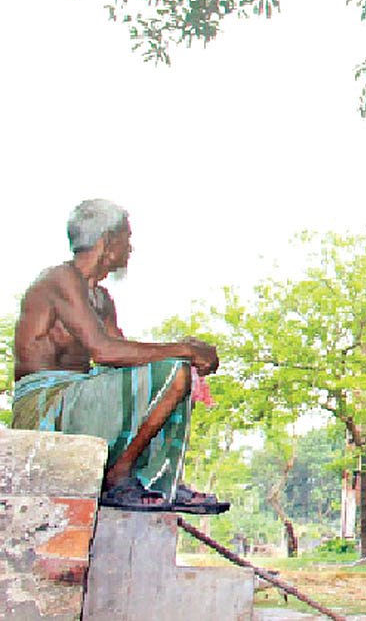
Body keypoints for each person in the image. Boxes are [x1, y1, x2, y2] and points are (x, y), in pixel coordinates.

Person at [12, 199, 227, 513]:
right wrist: (184, 350)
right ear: (108, 241)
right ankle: (118, 476)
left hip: (76, 397)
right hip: (45, 405)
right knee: (173, 371)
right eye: (127, 238)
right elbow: (103, 350)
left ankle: (159, 479)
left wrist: (187, 360)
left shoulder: (101, 298)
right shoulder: (60, 279)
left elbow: (124, 360)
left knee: (176, 374)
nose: (130, 248)